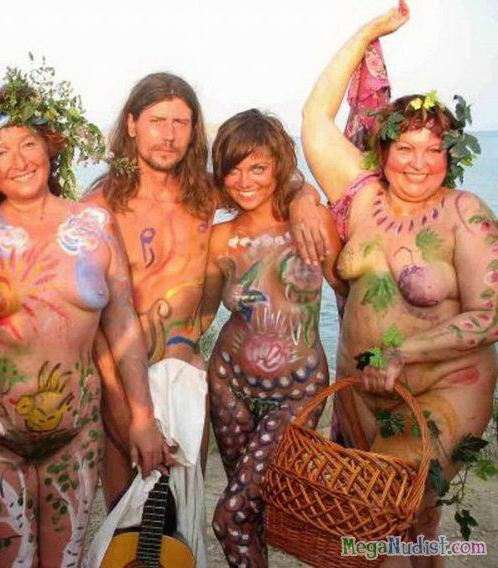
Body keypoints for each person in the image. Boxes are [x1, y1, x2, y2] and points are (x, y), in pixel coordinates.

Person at [0, 64, 169, 567]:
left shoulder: (94, 224)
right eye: (0, 151)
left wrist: (142, 417)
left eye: (28, 144)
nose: (18, 161)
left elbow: (123, 324)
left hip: (76, 436)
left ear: (51, 145)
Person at [301, 0, 497, 559]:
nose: (418, 162)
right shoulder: (363, 198)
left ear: (450, 155)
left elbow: (490, 316)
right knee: (414, 523)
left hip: (444, 390)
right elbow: (315, 119)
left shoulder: (465, 214)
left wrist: (404, 352)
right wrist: (369, 31)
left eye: (433, 150)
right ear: (382, 151)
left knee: (373, 513)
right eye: (405, 148)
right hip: (362, 396)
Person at [200, 109, 345, 567]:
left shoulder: (311, 224)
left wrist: (379, 356)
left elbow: (349, 295)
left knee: (230, 515)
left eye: (258, 167)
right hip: (229, 385)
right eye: (234, 169)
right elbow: (201, 316)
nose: (245, 181)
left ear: (279, 166)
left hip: (298, 392)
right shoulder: (219, 239)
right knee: (251, 512)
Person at [83, 72, 217, 508]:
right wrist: (126, 413)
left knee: (183, 515)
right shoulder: (99, 207)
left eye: (180, 122)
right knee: (127, 516)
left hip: (188, 379)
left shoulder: (205, 195)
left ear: (194, 130)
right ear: (131, 124)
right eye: (158, 121)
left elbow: (273, 184)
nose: (169, 135)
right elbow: (97, 324)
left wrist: (302, 199)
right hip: (122, 383)